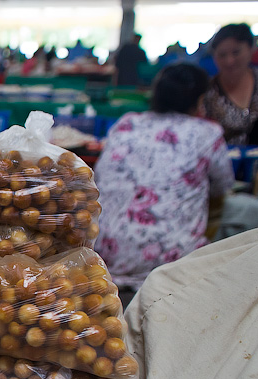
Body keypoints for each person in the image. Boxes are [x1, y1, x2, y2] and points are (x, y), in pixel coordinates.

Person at [94, 63, 234, 300]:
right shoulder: (207, 133)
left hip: (105, 256)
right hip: (170, 263)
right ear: (200, 99)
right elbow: (223, 186)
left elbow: (99, 177)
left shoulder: (127, 123)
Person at [203, 23, 258, 145]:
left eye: (236, 52)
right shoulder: (206, 92)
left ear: (251, 49)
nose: (229, 61)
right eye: (222, 55)